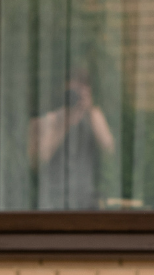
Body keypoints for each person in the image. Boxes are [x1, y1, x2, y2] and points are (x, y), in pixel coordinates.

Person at [28, 71, 116, 210]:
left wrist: (89, 110)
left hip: (86, 200)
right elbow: (38, 160)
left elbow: (109, 150)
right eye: (72, 92)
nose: (76, 96)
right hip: (52, 201)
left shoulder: (94, 116)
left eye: (81, 91)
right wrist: (66, 122)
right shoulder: (50, 119)